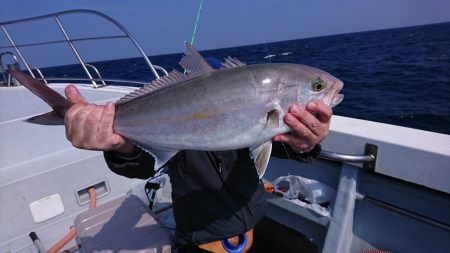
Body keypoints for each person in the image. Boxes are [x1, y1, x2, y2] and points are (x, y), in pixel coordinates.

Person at [64, 83, 332, 252]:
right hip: (200, 241)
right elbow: (143, 164)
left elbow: (288, 144)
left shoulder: (247, 124)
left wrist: (306, 143)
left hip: (258, 225)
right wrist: (121, 148)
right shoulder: (176, 132)